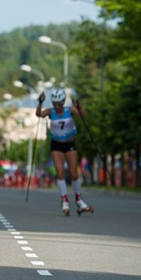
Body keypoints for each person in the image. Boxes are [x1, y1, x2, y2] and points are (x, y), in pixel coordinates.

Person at [35, 88, 93, 216]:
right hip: (56, 145)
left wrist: (79, 107)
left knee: (73, 173)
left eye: (59, 104)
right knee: (60, 173)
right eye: (54, 104)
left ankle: (79, 200)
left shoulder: (70, 110)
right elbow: (38, 114)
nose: (57, 107)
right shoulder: (50, 112)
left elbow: (83, 116)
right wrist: (40, 102)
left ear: (63, 102)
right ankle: (64, 200)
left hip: (69, 145)